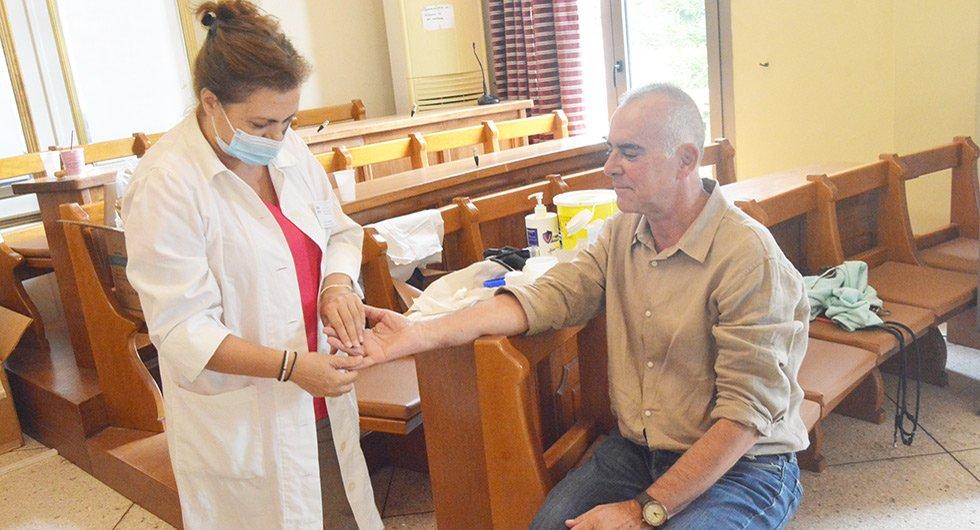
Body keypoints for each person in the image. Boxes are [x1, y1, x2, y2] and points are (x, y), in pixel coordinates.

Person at [330, 84, 810, 529]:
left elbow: (744, 417)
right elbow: (549, 296)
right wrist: (418, 332)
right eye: (610, 149)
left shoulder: (748, 257)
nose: (610, 167)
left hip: (745, 464)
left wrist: (642, 511)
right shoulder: (622, 232)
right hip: (641, 451)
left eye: (630, 152)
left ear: (685, 160)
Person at [123, 1, 380, 528]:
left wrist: (336, 284)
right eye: (261, 124)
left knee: (342, 513)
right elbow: (181, 329)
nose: (277, 139)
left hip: (320, 390)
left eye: (288, 122)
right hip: (248, 416)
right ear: (210, 102)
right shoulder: (167, 183)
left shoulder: (286, 150)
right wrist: (290, 367)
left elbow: (337, 230)